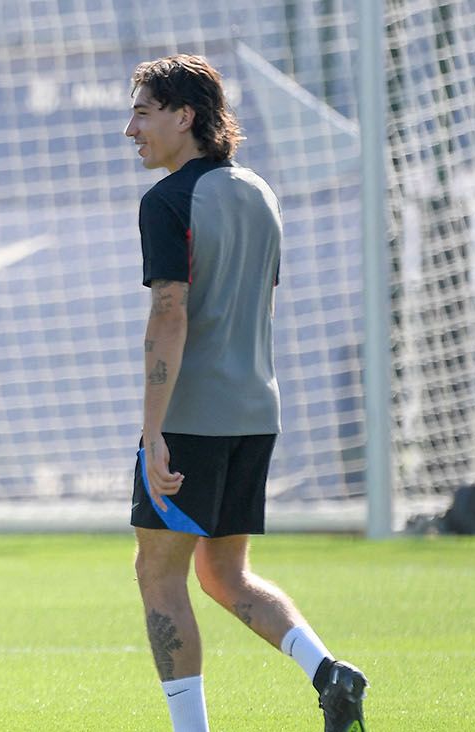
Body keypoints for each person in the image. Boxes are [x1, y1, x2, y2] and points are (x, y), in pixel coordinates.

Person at [123, 54, 367, 732]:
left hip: (192, 416)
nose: (130, 128)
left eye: (142, 111)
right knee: (224, 576)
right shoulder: (260, 192)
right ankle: (330, 673)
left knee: (159, 573)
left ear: (184, 116)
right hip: (256, 411)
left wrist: (153, 432)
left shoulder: (167, 201)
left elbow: (170, 313)